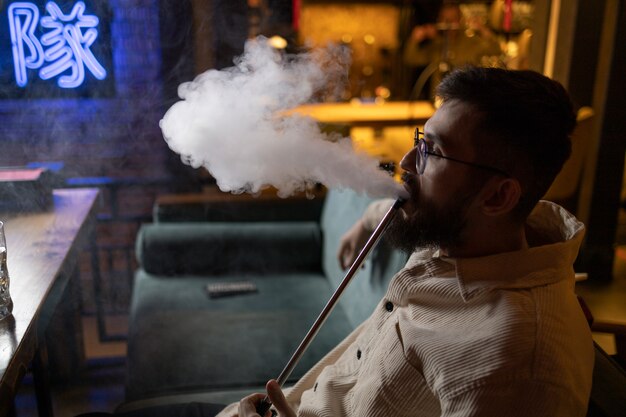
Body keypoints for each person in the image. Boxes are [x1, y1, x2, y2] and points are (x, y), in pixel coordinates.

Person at [80, 66, 594, 417]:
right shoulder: (465, 234)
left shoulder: (516, 364)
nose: (407, 164)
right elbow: (409, 200)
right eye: (420, 139)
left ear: (500, 195)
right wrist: (370, 217)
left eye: (433, 151)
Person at [404, 2, 501, 99]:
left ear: (459, 20)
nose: (449, 24)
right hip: (440, 100)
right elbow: (411, 59)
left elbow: (496, 50)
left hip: (465, 98)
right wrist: (415, 39)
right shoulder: (437, 44)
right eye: (446, 20)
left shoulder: (472, 42)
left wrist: (483, 30)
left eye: (453, 20)